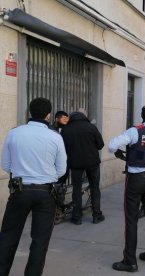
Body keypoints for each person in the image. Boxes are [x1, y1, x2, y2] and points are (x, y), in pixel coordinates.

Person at [0, 97, 67, 276]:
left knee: (8, 237)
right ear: (48, 115)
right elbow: (61, 170)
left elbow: (6, 165)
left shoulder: (14, 133)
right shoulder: (55, 137)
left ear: (30, 112)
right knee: (40, 241)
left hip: (19, 190)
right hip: (46, 193)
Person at [109, 104, 145, 272]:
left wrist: (124, 153)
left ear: (141, 115)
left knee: (131, 219)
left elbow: (112, 145)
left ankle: (130, 261)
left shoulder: (134, 131)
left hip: (135, 179)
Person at [61, 110, 105, 225]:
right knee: (95, 187)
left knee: (76, 188)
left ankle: (77, 217)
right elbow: (100, 145)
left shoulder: (66, 129)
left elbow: (62, 148)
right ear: (84, 116)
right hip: (92, 163)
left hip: (75, 163)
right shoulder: (91, 127)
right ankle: (96, 215)